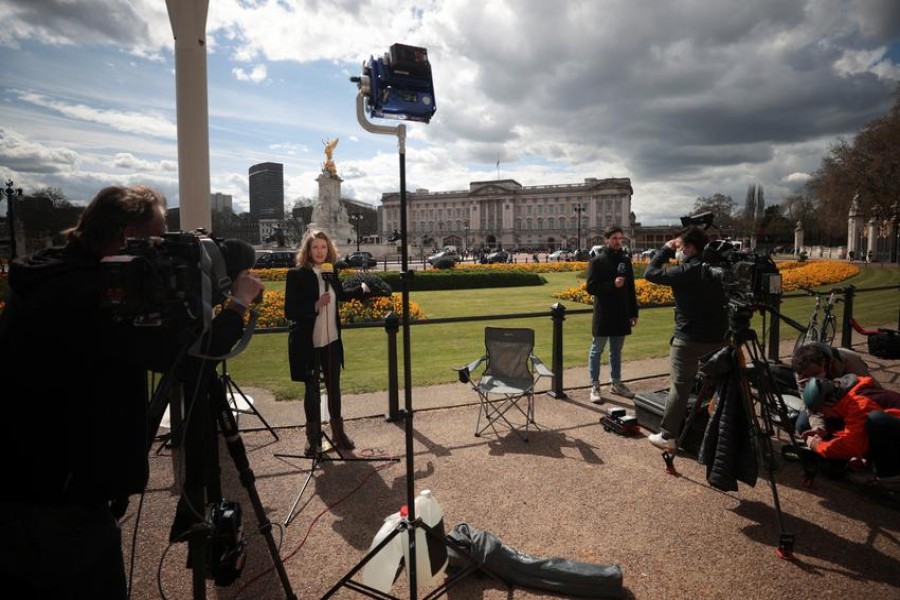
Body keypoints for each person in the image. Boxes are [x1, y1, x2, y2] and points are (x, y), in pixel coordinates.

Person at [0, 185, 264, 599]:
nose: (160, 251)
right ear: (126, 236)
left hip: (29, 479)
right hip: (63, 497)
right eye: (155, 239)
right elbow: (191, 356)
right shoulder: (95, 294)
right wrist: (238, 305)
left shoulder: (49, 271)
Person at [285, 229, 371, 456]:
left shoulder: (331, 273)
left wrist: (362, 290)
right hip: (308, 342)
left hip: (331, 340)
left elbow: (340, 295)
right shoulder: (296, 275)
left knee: (334, 388)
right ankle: (312, 439)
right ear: (308, 250)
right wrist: (314, 305)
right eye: (315, 247)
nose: (320, 251)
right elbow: (289, 310)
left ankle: (338, 434)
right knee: (311, 390)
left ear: (328, 250)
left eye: (323, 247)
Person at [643, 226, 728, 451]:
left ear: (690, 248)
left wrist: (664, 250)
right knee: (723, 386)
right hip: (720, 338)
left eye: (680, 247)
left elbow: (650, 273)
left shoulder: (684, 272)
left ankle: (668, 435)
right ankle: (725, 430)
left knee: (680, 387)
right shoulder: (717, 269)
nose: (678, 251)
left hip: (688, 338)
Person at [802, 375, 900, 480]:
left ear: (829, 402)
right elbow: (856, 431)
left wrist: (818, 446)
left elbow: (853, 446)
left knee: (876, 420)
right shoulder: (849, 393)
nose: (824, 415)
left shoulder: (858, 404)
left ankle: (890, 474)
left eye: (823, 411)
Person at [585, 226, 638, 404]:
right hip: (603, 312)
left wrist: (633, 312)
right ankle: (594, 385)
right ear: (606, 240)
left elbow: (631, 289)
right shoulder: (597, 261)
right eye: (614, 238)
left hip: (621, 312)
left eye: (620, 238)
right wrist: (612, 285)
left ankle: (616, 383)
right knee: (597, 350)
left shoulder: (625, 260)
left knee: (616, 351)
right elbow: (591, 288)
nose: (618, 241)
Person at [791, 342, 879, 435]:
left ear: (824, 362)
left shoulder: (847, 358)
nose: (812, 380)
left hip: (854, 398)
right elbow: (811, 405)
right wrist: (818, 427)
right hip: (828, 401)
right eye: (807, 376)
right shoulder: (801, 373)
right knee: (802, 425)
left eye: (814, 374)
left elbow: (869, 387)